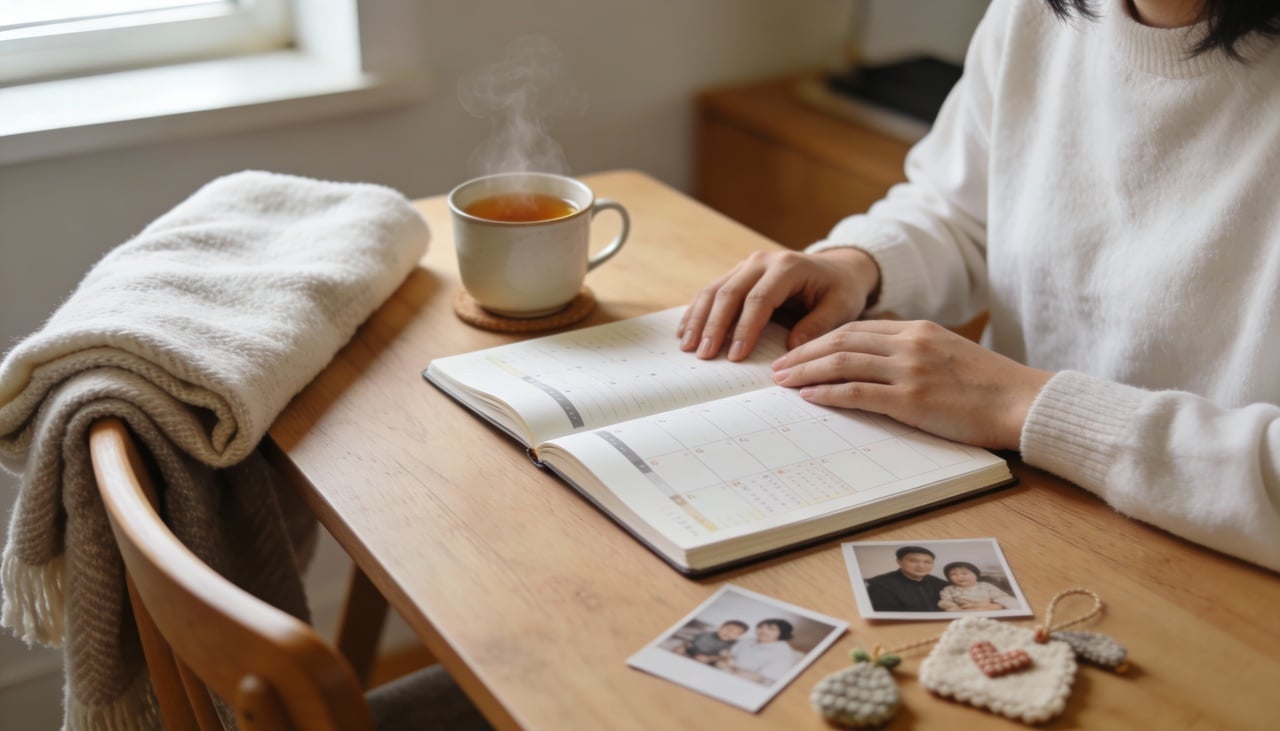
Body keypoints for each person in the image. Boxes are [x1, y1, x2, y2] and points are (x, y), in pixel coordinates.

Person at [676, 0, 1280, 573]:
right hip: (1021, 494)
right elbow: (963, 210)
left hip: (1222, 568)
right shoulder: (1036, 15)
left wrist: (1023, 405)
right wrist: (860, 264)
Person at [864, 546, 950, 612]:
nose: (921, 566)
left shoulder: (940, 583)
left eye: (927, 562)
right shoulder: (879, 584)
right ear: (899, 561)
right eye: (913, 561)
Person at [716, 619, 798, 685]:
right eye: (760, 627)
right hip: (725, 673)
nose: (762, 631)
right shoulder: (748, 641)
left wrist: (730, 670)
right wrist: (723, 661)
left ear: (783, 633)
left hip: (748, 684)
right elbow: (729, 655)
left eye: (771, 628)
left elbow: (760, 678)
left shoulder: (784, 654)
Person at [937, 561, 1019, 611]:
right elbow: (945, 602)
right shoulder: (949, 589)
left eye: (964, 573)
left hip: (987, 608)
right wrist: (955, 608)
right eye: (953, 575)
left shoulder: (985, 586)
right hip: (964, 611)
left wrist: (994, 606)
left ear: (976, 576)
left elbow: (1000, 597)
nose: (960, 577)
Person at [674, 619, 748, 664]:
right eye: (729, 630)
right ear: (720, 628)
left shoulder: (732, 644)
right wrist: (682, 647)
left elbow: (724, 656)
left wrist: (709, 658)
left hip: (707, 657)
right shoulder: (707, 633)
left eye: (736, 633)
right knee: (678, 649)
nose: (729, 633)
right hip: (691, 649)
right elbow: (690, 641)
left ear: (739, 636)